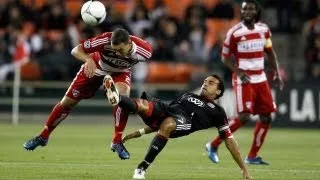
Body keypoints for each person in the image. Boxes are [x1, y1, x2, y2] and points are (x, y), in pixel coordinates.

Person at [23, 28, 153, 160]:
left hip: (120, 72)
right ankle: (43, 136)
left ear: (129, 43)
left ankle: (117, 141)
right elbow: (76, 50)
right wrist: (88, 60)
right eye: (114, 49)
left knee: (122, 99)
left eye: (120, 50)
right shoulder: (105, 40)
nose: (116, 52)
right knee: (68, 102)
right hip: (95, 67)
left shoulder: (144, 51)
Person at [104, 74, 252, 179]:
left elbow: (229, 141)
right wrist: (137, 133)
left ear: (218, 92)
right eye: (205, 81)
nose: (205, 83)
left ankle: (141, 168)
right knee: (143, 104)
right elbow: (162, 120)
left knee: (168, 124)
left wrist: (243, 170)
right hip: (166, 110)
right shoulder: (188, 95)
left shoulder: (218, 112)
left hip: (184, 122)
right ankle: (117, 97)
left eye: (211, 83)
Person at [206, 0, 284, 165]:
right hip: (244, 79)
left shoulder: (264, 30)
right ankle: (213, 145)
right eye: (245, 9)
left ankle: (252, 156)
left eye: (251, 9)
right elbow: (225, 58)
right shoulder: (234, 33)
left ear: (256, 11)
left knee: (266, 117)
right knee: (244, 116)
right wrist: (238, 72)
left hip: (261, 78)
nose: (248, 12)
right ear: (241, 12)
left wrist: (276, 72)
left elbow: (269, 52)